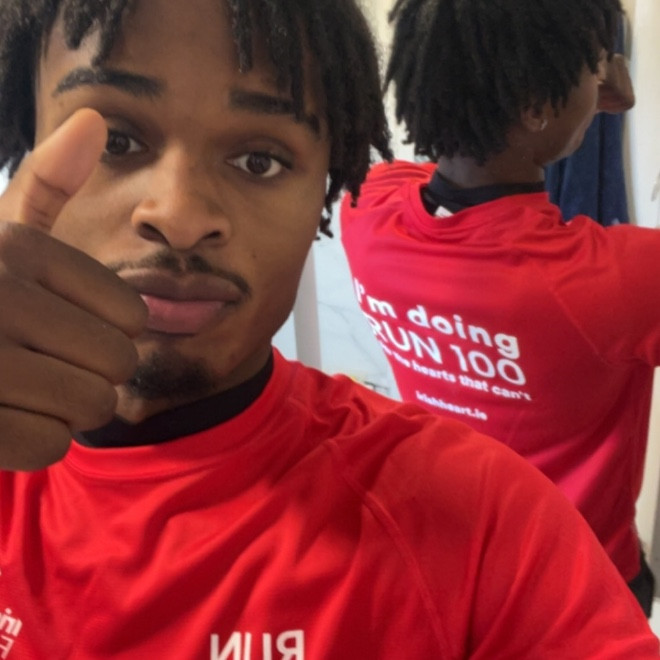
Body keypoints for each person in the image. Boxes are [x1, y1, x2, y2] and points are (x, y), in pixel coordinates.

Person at [0, 0, 657, 657]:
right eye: (116, 141)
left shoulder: (376, 213)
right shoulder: (622, 277)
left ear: (326, 186)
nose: (179, 215)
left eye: (259, 160)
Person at [341, 0, 657, 617]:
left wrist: (576, 91)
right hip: (579, 588)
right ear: (536, 108)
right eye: (593, 65)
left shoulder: (365, 209)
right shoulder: (618, 282)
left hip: (455, 560)